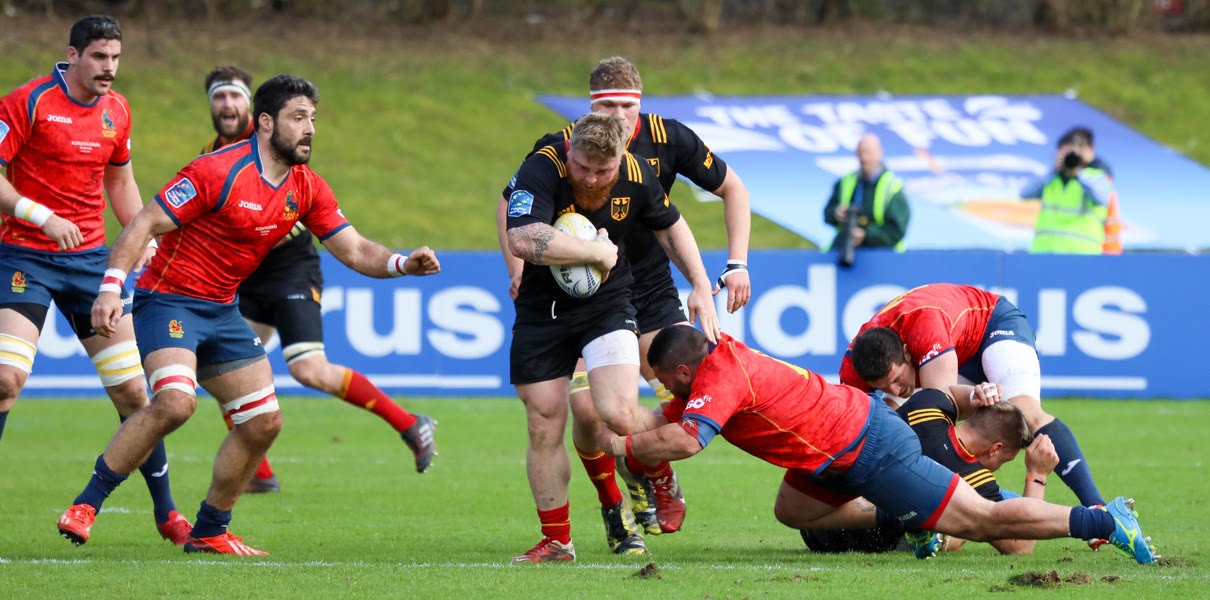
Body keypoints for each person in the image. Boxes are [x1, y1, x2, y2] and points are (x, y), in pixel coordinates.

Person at [55, 74, 441, 555]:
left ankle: (210, 531)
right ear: (266, 123)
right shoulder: (216, 170)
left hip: (223, 310)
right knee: (176, 403)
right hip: (169, 300)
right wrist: (111, 288)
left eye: (312, 118)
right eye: (298, 117)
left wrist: (403, 264)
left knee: (264, 422)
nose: (310, 129)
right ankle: (86, 505)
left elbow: (356, 249)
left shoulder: (306, 186)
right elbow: (144, 223)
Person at [597, 325, 1156, 565]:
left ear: (685, 370)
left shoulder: (719, 377)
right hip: (832, 448)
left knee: (982, 521)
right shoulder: (714, 365)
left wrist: (622, 450)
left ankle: (1107, 521)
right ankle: (914, 520)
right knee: (792, 509)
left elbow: (686, 440)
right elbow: (665, 422)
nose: (661, 388)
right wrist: (619, 425)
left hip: (869, 444)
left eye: (663, 379)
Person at [495, 56, 753, 542]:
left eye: (626, 106)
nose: (617, 115)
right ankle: (608, 509)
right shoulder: (553, 153)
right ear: (588, 110)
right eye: (606, 106)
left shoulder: (662, 145)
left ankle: (655, 468)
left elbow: (701, 206)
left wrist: (720, 273)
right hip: (568, 292)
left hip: (644, 287)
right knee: (577, 414)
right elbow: (513, 212)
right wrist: (522, 269)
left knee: (665, 391)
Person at [0, 15, 192, 545]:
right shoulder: (27, 102)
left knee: (134, 392)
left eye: (116, 58)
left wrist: (144, 238)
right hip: (25, 259)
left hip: (90, 264)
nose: (110, 68)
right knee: (5, 378)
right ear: (73, 55)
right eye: (100, 57)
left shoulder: (117, 110)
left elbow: (120, 182)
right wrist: (41, 216)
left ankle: (167, 514)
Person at [200, 67, 438, 494]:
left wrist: (401, 263)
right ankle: (260, 473)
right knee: (221, 367)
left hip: (290, 271)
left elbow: (340, 239)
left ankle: (409, 423)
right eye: (219, 97)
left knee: (308, 369)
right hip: (246, 275)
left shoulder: (280, 149)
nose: (227, 105)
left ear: (256, 113)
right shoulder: (210, 157)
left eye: (235, 96)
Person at [838, 283, 1107, 512]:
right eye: (884, 386)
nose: (896, 391)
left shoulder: (925, 329)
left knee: (1025, 413)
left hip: (991, 326)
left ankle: (1099, 511)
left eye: (898, 380)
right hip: (952, 350)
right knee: (887, 422)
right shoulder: (853, 371)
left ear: (907, 353)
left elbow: (937, 424)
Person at [802, 389, 1060, 556]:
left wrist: (976, 392)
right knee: (966, 519)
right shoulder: (975, 480)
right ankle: (932, 535)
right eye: (1005, 460)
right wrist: (1037, 474)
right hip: (845, 542)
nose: (999, 468)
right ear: (995, 449)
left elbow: (952, 393)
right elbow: (1021, 546)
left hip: (813, 508)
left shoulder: (928, 406)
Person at [1020, 127, 1114, 254]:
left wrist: (1078, 171)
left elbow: (1101, 199)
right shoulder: (1053, 178)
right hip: (1043, 252)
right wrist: (1055, 169)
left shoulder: (1097, 176)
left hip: (1081, 254)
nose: (1071, 157)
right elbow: (1025, 193)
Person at [822, 133, 910, 252]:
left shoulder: (892, 186)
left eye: (869, 153)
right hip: (844, 248)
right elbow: (827, 213)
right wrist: (836, 213)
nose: (864, 158)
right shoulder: (845, 182)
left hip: (882, 253)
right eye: (861, 153)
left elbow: (896, 231)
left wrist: (866, 234)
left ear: (879, 153)